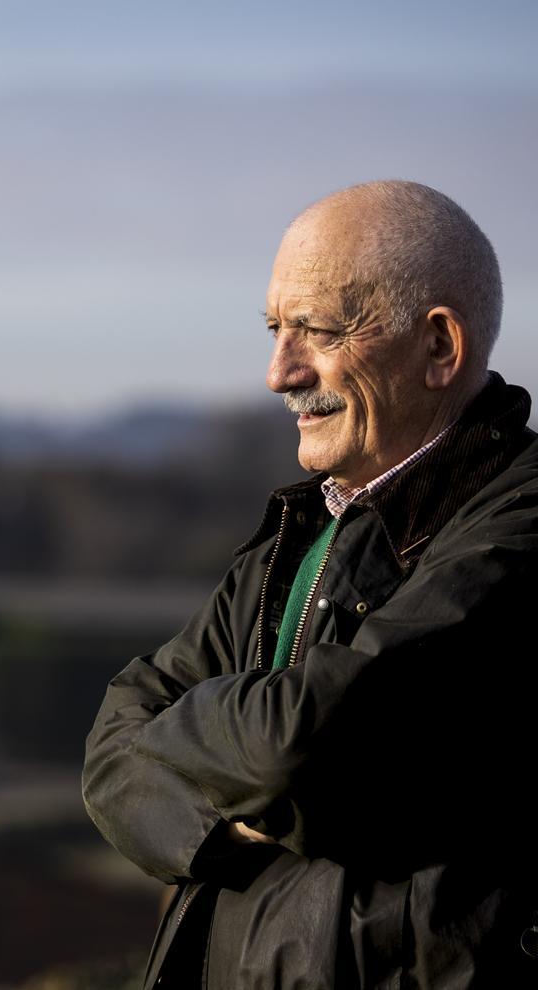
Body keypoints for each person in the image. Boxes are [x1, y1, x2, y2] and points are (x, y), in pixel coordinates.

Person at [82, 180, 538, 989]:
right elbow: (113, 750)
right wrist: (226, 826)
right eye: (274, 329)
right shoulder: (300, 536)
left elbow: (304, 745)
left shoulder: (521, 524)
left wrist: (194, 745)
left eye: (316, 330)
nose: (278, 372)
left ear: (439, 348)